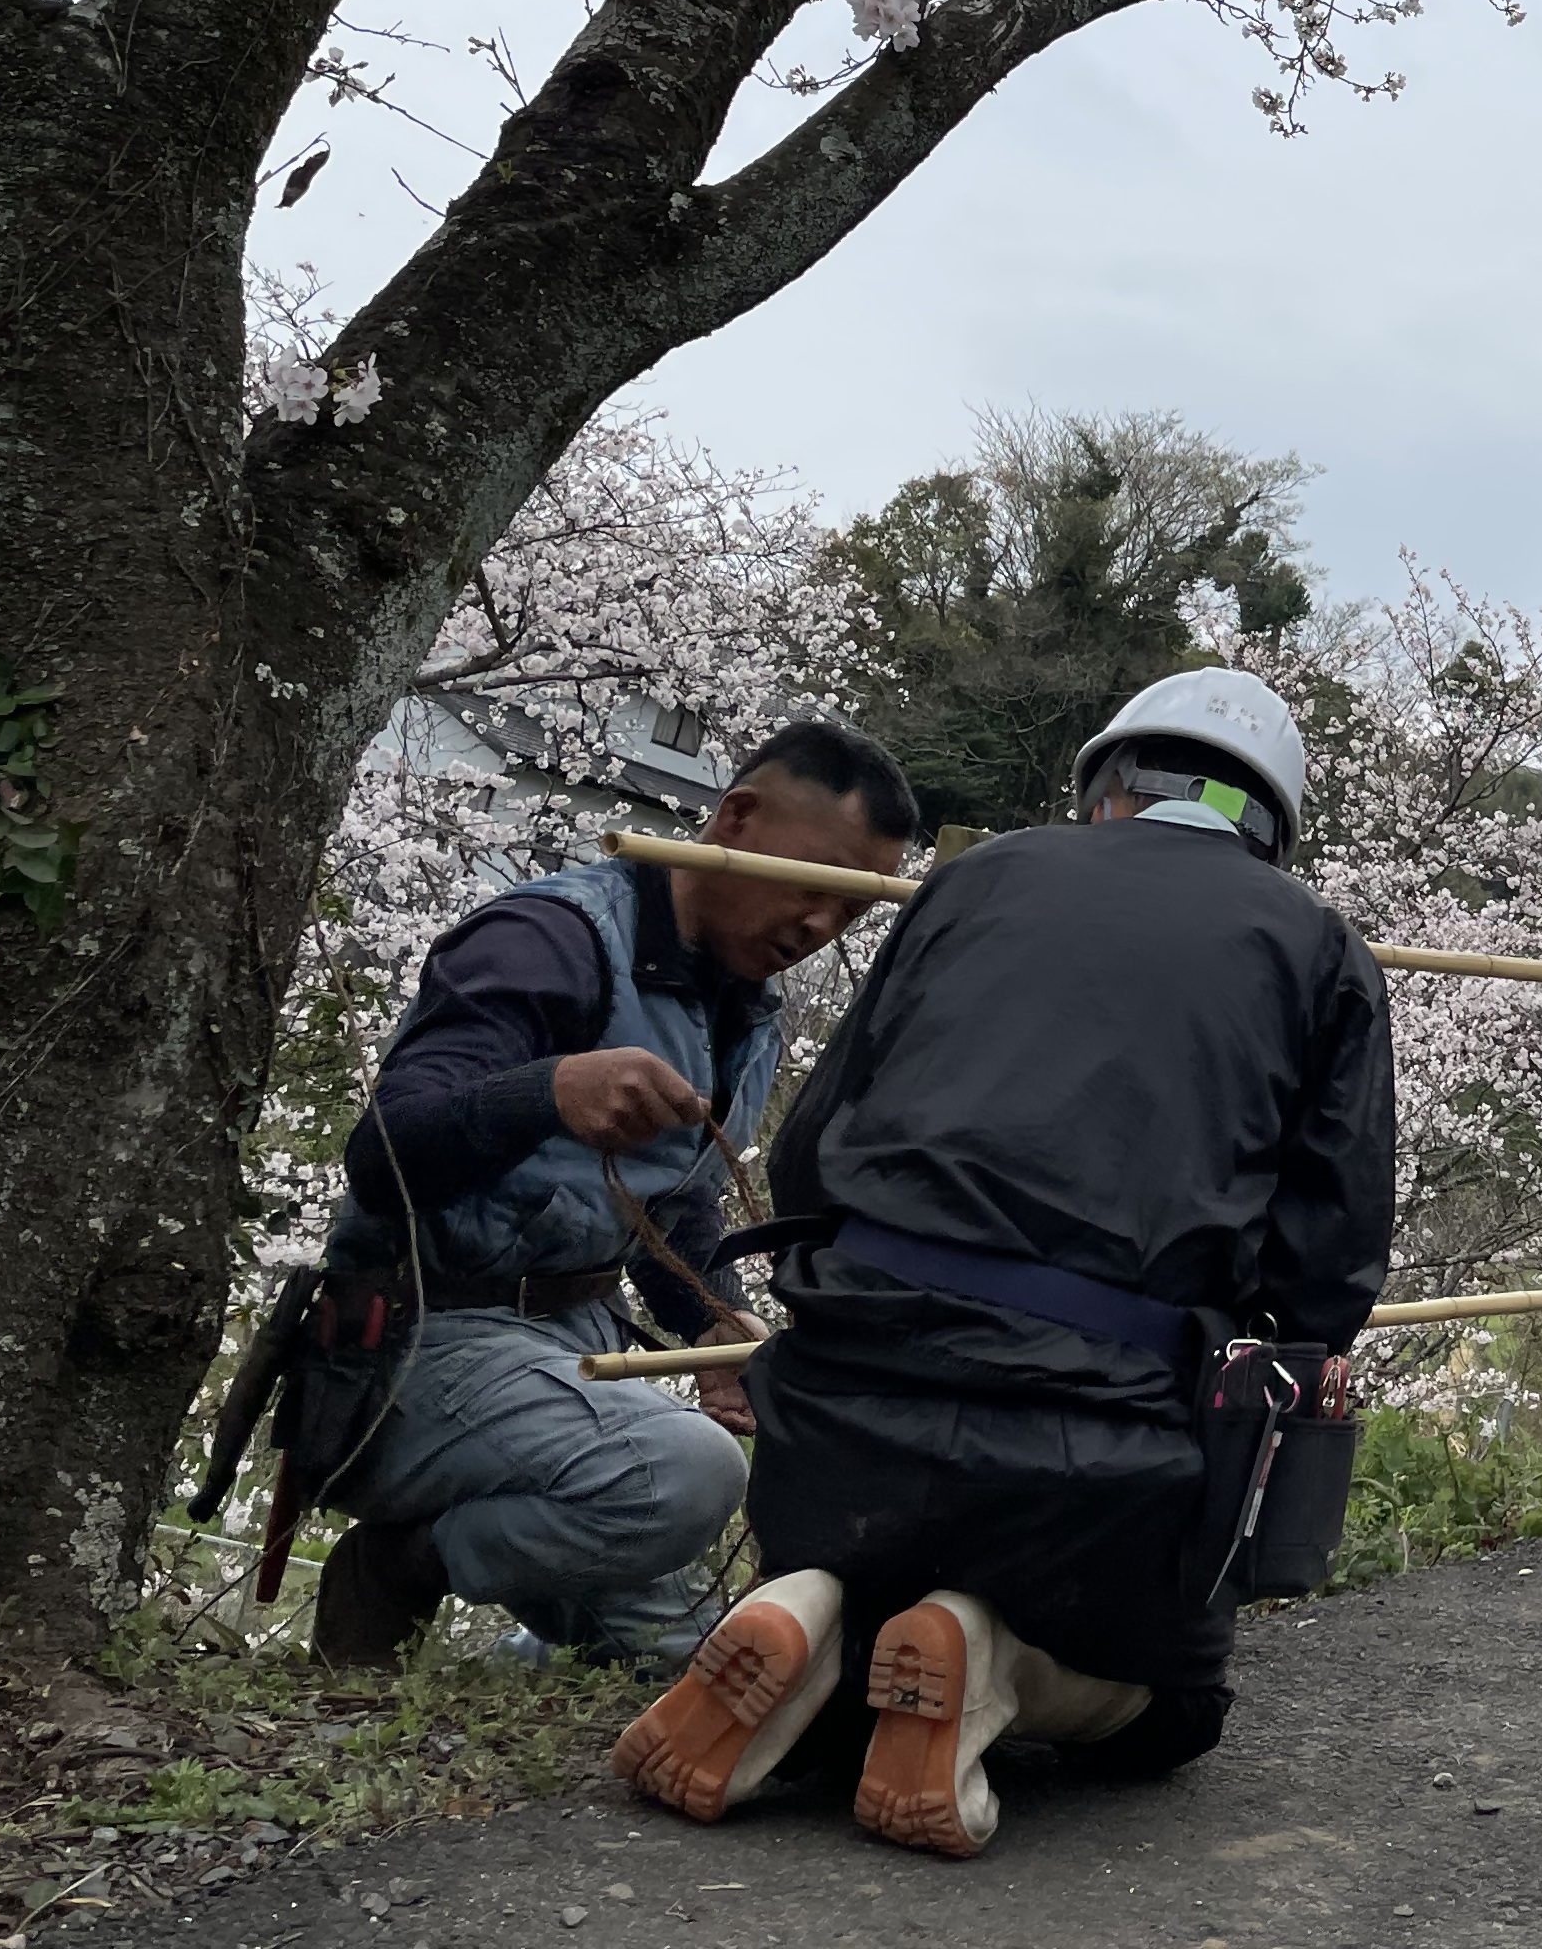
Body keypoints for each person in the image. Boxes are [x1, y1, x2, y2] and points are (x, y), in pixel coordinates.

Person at [611, 668, 1394, 1856]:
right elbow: (1329, 1269)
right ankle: (1002, 1665)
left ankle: (811, 1608)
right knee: (1174, 1711)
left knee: (874, 1559)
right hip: (1096, 1446)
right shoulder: (1319, 948)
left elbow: (818, 1148)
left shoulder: (975, 878)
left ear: (1106, 791)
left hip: (841, 1409)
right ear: (1268, 827)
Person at [307, 720, 922, 1670]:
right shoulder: (548, 939)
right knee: (685, 1473)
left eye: (849, 912)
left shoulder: (741, 1006)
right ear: (737, 818)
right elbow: (381, 1154)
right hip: (419, 1337)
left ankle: (517, 1650)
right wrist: (547, 1092)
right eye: (814, 886)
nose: (818, 927)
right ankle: (406, 1562)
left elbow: (671, 1204)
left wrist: (715, 1318)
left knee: (683, 1666)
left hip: (571, 1344)